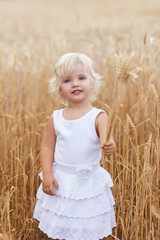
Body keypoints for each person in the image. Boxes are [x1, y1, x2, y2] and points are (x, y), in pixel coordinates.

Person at [33, 53, 116, 240]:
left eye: (81, 78)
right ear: (60, 89)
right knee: (59, 228)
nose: (75, 84)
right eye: (67, 80)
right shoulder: (56, 118)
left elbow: (107, 139)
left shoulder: (98, 116)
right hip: (61, 182)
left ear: (92, 83)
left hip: (88, 185)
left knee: (88, 228)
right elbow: (47, 148)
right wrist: (47, 174)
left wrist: (109, 146)